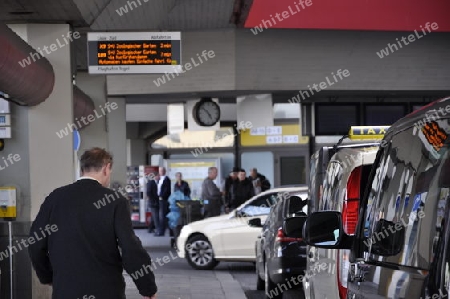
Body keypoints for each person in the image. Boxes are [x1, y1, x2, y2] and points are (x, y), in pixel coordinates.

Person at [28, 147, 157, 299]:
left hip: (65, 291)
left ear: (82, 169)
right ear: (107, 168)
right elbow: (130, 248)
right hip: (107, 292)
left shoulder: (55, 198)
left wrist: (47, 276)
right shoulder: (115, 201)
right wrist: (147, 288)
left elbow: (35, 243)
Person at [156, 166, 171, 236]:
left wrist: (161, 196)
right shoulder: (159, 179)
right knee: (160, 216)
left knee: (162, 216)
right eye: (160, 171)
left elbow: (167, 190)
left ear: (164, 171)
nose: (160, 172)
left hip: (163, 200)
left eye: (162, 171)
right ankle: (160, 230)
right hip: (158, 199)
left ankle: (162, 231)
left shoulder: (166, 179)